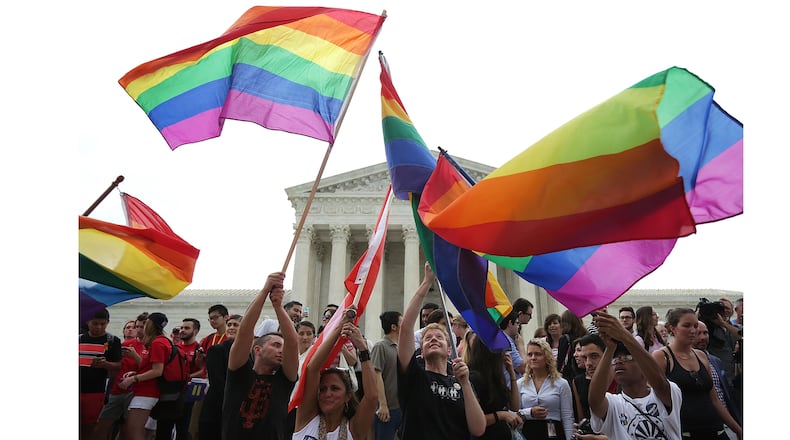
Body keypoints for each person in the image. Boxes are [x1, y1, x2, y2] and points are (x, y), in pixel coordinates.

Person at [397, 262, 486, 439]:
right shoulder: (415, 376)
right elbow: (406, 328)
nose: (433, 340)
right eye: (428, 339)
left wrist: (466, 384)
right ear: (421, 352)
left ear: (449, 351)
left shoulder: (460, 382)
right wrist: (426, 282)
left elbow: (478, 428)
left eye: (439, 337)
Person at [223, 272, 298, 439]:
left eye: (283, 348)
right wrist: (265, 291)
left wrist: (278, 307)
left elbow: (293, 343)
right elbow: (245, 331)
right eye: (276, 345)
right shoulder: (238, 372)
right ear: (257, 350)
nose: (281, 351)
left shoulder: (285, 380)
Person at [588, 311, 682, 440]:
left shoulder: (669, 392)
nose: (619, 361)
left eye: (627, 357)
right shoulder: (614, 403)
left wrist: (624, 336)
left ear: (643, 365)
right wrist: (610, 349)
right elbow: (594, 400)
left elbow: (660, 383)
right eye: (615, 360)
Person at [653, 308, 742, 439]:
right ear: (673, 328)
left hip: (715, 429)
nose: (693, 331)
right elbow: (653, 396)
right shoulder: (662, 356)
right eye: (686, 326)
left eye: (695, 326)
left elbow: (715, 399)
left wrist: (738, 429)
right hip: (685, 432)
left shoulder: (701, 356)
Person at [292, 307, 378, 439]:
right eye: (322, 389)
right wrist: (339, 327)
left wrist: (362, 348)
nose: (327, 394)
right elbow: (312, 369)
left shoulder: (354, 429)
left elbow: (371, 397)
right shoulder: (306, 418)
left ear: (348, 396)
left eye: (335, 388)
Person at [93, 312, 147, 440]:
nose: (137, 329)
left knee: (128, 429)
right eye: (136, 326)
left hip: (135, 391)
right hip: (116, 389)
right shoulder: (123, 344)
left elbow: (149, 369)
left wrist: (135, 356)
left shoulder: (151, 345)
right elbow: (115, 366)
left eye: (139, 327)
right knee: (102, 425)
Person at [118, 312, 171, 440]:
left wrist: (133, 379)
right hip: (147, 392)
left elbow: (157, 371)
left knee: (134, 430)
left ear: (151, 324)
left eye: (146, 323)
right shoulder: (160, 341)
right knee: (142, 431)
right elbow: (152, 368)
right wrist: (136, 373)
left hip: (147, 392)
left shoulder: (158, 343)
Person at [515, 338, 575, 440]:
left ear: (547, 357)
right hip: (529, 431)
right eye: (530, 354)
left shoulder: (561, 383)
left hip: (553, 431)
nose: (533, 358)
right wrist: (530, 412)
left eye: (538, 354)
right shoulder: (520, 383)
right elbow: (514, 413)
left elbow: (567, 416)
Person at [467, 333, 522, 439]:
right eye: (501, 351)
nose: (504, 354)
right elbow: (475, 421)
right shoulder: (474, 378)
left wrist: (511, 373)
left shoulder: (495, 377)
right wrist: (502, 415)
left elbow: (514, 406)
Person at [80, 308, 123, 440]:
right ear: (87, 322)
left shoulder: (112, 341)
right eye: (95, 323)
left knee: (91, 425)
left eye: (102, 324)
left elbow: (119, 365)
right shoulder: (79, 339)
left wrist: (106, 364)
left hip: (96, 390)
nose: (99, 327)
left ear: (107, 322)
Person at [197, 314, 241, 440]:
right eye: (229, 325)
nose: (231, 328)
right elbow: (217, 382)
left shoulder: (250, 351)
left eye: (236, 325)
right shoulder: (217, 350)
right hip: (218, 406)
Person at [156, 318, 201, 440]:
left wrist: (187, 377)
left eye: (187, 328)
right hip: (170, 394)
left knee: (184, 430)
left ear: (196, 331)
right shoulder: (172, 348)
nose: (182, 330)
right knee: (163, 429)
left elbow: (204, 370)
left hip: (189, 395)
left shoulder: (199, 349)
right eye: (182, 328)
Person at [693, 321, 741, 433]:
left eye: (706, 333)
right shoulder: (680, 363)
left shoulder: (715, 361)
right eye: (698, 333)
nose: (703, 337)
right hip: (701, 425)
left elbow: (724, 394)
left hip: (725, 423)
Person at [571, 334, 611, 440]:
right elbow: (582, 418)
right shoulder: (578, 382)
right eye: (584, 357)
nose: (588, 363)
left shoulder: (621, 380)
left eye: (594, 356)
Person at [371, 311, 402, 440]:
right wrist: (383, 404)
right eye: (402, 322)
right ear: (394, 327)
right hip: (387, 409)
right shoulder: (381, 346)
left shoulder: (400, 348)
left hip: (401, 407)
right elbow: (376, 376)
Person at [500, 310, 527, 384]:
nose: (518, 327)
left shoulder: (504, 338)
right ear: (510, 323)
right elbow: (522, 367)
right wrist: (521, 346)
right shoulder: (506, 341)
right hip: (510, 386)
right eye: (517, 323)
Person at [544, 314, 572, 383]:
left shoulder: (567, 341)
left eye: (555, 323)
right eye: (549, 324)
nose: (552, 326)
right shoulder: (544, 342)